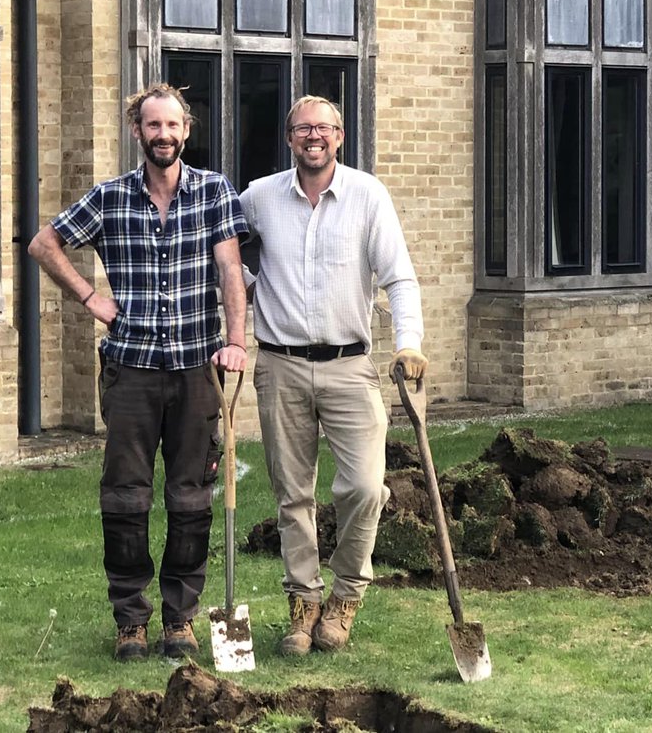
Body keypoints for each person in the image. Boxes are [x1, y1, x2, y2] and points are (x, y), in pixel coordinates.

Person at [28, 83, 248, 662]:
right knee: (125, 498)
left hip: (198, 369)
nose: (164, 135)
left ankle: (180, 620)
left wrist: (236, 341)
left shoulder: (215, 193)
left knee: (191, 497)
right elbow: (43, 244)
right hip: (130, 371)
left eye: (173, 126)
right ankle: (131, 621)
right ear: (137, 132)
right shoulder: (109, 198)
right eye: (153, 126)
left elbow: (230, 269)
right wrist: (88, 297)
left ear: (186, 131)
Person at [239, 95, 427, 655]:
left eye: (323, 128)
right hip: (279, 365)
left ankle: (345, 596)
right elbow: (225, 256)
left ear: (340, 137)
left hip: (351, 365)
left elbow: (400, 279)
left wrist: (409, 344)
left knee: (365, 488)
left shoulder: (368, 196)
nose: (313, 137)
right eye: (302, 129)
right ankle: (303, 605)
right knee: (292, 495)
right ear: (289, 138)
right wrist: (243, 295)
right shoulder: (259, 198)